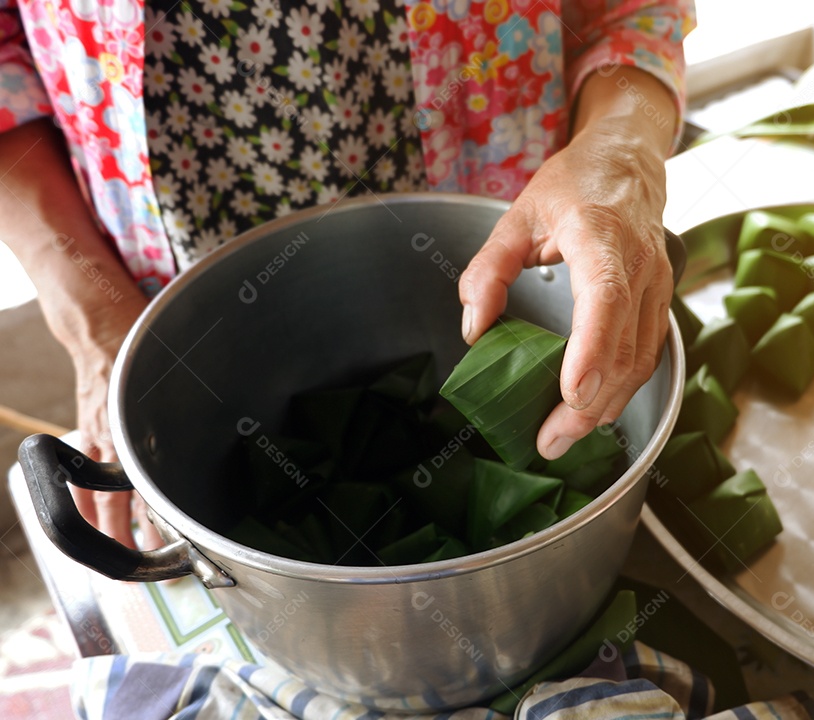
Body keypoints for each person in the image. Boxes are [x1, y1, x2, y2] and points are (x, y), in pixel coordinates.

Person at [0, 0, 696, 547]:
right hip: (157, 289)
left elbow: (631, 9)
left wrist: (622, 154)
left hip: (510, 229)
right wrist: (93, 324)